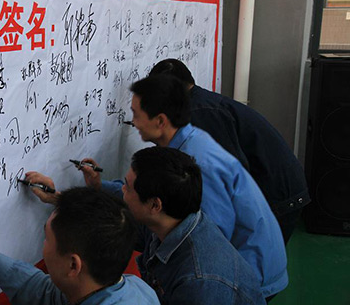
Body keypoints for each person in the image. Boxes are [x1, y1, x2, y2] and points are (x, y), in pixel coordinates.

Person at [78, 75, 287, 299]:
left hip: (245, 270)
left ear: (160, 121)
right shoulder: (182, 146)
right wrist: (99, 186)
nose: (134, 122)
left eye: (137, 114)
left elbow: (214, 238)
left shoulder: (197, 163)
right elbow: (143, 190)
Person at [29, 148, 266, 304]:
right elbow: (109, 223)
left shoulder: (200, 282)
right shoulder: (172, 221)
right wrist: (59, 198)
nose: (121, 190)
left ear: (155, 204)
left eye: (127, 187)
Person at [148, 58, 309, 243]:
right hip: (278, 186)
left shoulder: (199, 113)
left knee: (251, 257)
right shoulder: (198, 103)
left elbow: (227, 174)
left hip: (278, 194)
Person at [0, 187, 160, 305]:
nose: (43, 247)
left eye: (46, 239)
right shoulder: (133, 287)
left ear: (73, 265)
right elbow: (44, 292)